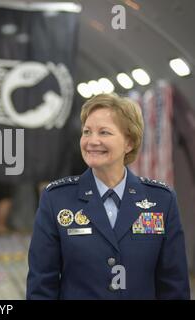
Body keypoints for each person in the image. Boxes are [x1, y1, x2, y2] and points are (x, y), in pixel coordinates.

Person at [27, 93, 190, 299]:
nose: (92, 141)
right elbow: (42, 285)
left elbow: (174, 284)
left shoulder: (161, 201)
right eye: (87, 132)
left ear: (129, 142)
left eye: (104, 132)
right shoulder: (56, 199)